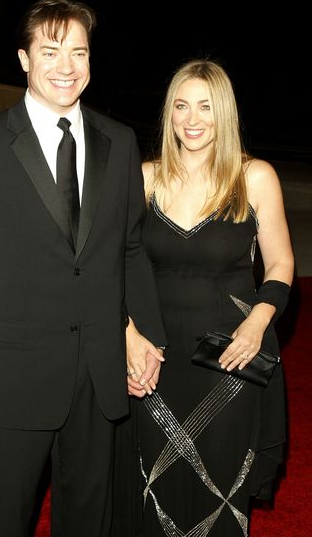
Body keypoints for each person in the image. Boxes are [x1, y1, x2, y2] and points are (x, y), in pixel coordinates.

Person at [0, 0, 166, 537]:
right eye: (51, 50)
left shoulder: (121, 142)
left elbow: (128, 249)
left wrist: (145, 332)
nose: (67, 67)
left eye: (79, 53)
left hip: (97, 378)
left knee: (89, 523)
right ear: (23, 58)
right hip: (9, 384)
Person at [126, 59, 294, 536]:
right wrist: (129, 336)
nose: (192, 119)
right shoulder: (144, 178)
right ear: (169, 113)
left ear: (224, 112)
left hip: (229, 356)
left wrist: (258, 322)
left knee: (220, 486)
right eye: (181, 106)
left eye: (205, 106)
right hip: (154, 357)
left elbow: (280, 264)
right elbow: (113, 268)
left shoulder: (254, 176)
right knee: (153, 486)